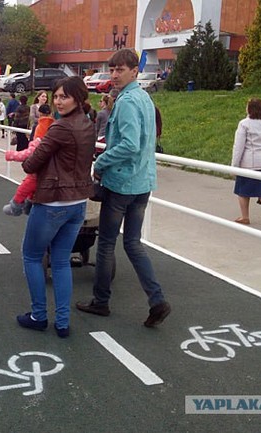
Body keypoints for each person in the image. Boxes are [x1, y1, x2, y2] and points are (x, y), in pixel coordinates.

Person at [75, 49, 171, 327]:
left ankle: (101, 301)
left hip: (123, 184)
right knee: (132, 243)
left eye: (120, 69)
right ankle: (157, 300)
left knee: (106, 243)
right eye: (112, 69)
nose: (115, 74)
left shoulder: (127, 101)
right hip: (143, 183)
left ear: (134, 71)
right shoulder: (144, 98)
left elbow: (129, 145)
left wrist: (101, 162)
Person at [16, 77, 95, 338]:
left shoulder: (60, 128)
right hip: (78, 203)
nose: (59, 101)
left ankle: (39, 315)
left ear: (78, 98)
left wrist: (35, 150)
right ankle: (62, 322)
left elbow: (30, 164)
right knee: (60, 262)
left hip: (53, 202)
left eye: (65, 97)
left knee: (32, 256)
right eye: (56, 96)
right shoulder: (87, 124)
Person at [231, 97, 261, 229]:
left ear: (249, 108)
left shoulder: (244, 124)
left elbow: (238, 146)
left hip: (250, 163)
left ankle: (245, 216)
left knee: (243, 190)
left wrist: (234, 166)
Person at [3, 104, 54, 216]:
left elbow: (28, 153)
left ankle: (15, 206)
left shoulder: (39, 133)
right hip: (51, 171)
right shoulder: (54, 128)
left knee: (25, 187)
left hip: (39, 171)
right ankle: (28, 204)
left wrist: (11, 155)